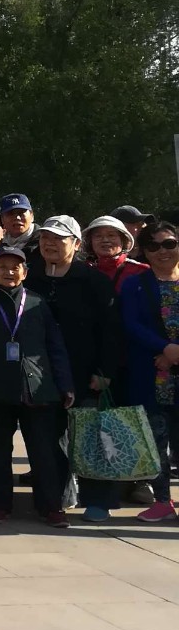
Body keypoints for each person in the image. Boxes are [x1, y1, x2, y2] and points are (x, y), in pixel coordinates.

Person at [0, 245, 74, 527]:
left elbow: (55, 347)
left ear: (24, 272)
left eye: (15, 267)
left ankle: (51, 506)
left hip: (37, 386)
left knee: (44, 450)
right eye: (2, 267)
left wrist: (65, 384)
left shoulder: (37, 303)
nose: (9, 272)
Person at [28, 215, 119, 519]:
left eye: (59, 238)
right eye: (45, 238)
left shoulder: (94, 281)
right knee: (46, 442)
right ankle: (52, 500)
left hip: (86, 375)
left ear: (77, 244)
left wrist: (105, 372)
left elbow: (111, 331)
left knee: (90, 440)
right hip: (42, 377)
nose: (50, 244)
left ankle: (97, 501)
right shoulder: (31, 278)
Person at [119, 220, 179, 522]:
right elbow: (130, 324)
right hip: (152, 373)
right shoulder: (136, 284)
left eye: (169, 243)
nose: (162, 251)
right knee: (156, 441)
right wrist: (164, 349)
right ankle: (163, 501)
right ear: (144, 251)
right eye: (154, 246)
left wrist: (175, 352)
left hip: (172, 364)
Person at [84, 214, 148, 296]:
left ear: (123, 240)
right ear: (90, 242)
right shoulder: (82, 271)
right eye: (98, 236)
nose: (105, 240)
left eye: (111, 235)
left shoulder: (140, 271)